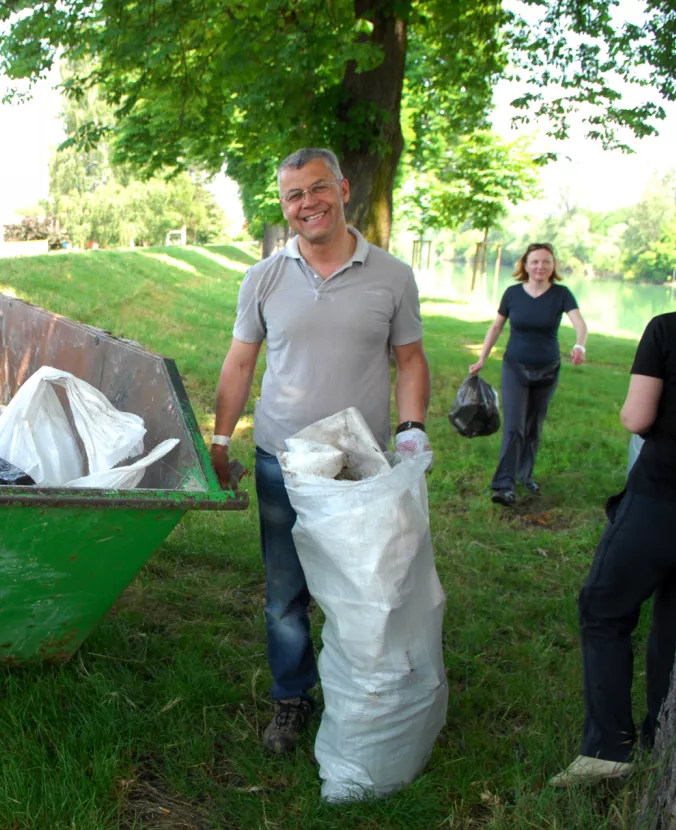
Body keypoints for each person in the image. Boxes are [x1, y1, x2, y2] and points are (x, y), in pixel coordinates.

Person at [209, 148, 432, 754]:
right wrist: (222, 439)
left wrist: (411, 426)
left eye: (317, 188)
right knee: (285, 594)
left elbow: (409, 358)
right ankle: (291, 699)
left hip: (360, 467)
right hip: (282, 463)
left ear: (343, 187)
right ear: (283, 206)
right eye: (293, 195)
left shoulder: (391, 275)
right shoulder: (264, 278)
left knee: (364, 586)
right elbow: (240, 362)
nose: (307, 203)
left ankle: (362, 691)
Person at [549, 224, 676, 786]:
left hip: (657, 501)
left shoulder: (669, 328)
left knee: (604, 611)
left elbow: (636, 418)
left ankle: (607, 752)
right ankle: (662, 733)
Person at [469, 243, 589, 506]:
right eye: (534, 262)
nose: (540, 267)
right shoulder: (513, 294)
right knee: (514, 427)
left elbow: (579, 323)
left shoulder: (562, 294)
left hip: (548, 369)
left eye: (546, 262)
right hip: (515, 368)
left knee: (534, 426)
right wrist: (482, 358)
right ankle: (504, 485)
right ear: (525, 264)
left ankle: (526, 475)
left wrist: (579, 344)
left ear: (553, 266)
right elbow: (496, 327)